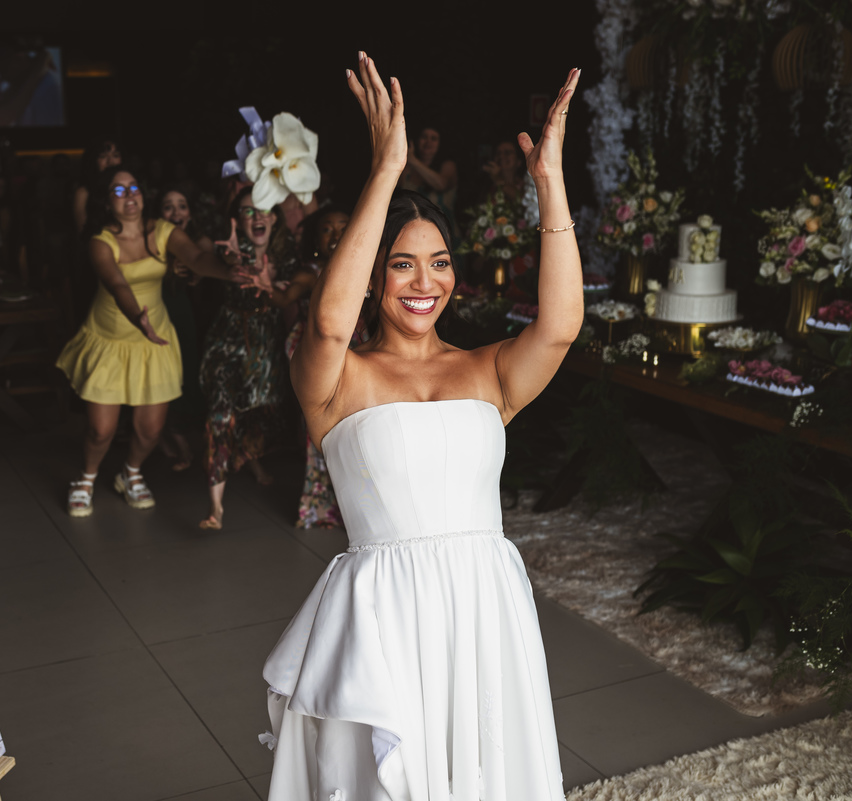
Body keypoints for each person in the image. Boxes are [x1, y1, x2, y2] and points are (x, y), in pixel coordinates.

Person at [261, 54, 581, 800]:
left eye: (438, 263)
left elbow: (561, 326)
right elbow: (331, 319)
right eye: (402, 265)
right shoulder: (338, 380)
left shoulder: (489, 372)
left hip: (484, 611)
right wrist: (387, 169)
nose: (424, 281)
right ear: (375, 276)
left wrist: (548, 184)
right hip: (385, 623)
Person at [56, 167, 245, 517]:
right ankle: (86, 478)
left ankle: (130, 473)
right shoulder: (101, 239)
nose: (130, 195)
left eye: (135, 187)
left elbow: (198, 259)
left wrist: (229, 270)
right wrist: (136, 317)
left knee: (151, 430)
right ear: (105, 201)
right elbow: (117, 285)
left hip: (154, 340)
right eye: (118, 191)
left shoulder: (162, 231)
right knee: (101, 430)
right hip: (110, 339)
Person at [249, 208, 357, 529]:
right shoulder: (312, 271)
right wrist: (268, 287)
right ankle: (323, 507)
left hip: (357, 353)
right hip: (319, 356)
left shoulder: (364, 266)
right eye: (327, 230)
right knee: (326, 429)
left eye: (343, 227)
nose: (336, 236)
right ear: (314, 239)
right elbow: (286, 298)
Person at [198, 188, 296, 529]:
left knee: (257, 412)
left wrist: (274, 286)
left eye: (264, 208)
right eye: (247, 211)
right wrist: (231, 259)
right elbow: (207, 262)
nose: (257, 216)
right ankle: (216, 507)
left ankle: (250, 460)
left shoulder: (288, 257)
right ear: (236, 220)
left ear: (275, 216)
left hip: (266, 348)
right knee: (221, 415)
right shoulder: (225, 253)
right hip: (227, 345)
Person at [157, 187, 212, 471]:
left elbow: (207, 267)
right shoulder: (150, 244)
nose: (176, 212)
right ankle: (172, 440)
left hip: (189, 319)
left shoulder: (200, 242)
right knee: (164, 376)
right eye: (168, 206)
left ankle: (182, 440)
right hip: (159, 315)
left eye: (182, 206)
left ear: (190, 212)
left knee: (187, 375)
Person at [397, 122, 458, 229]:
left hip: (444, 230)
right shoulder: (407, 168)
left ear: (440, 143)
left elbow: (441, 185)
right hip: (411, 229)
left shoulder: (448, 166)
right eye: (424, 137)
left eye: (433, 138)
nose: (428, 142)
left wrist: (413, 161)